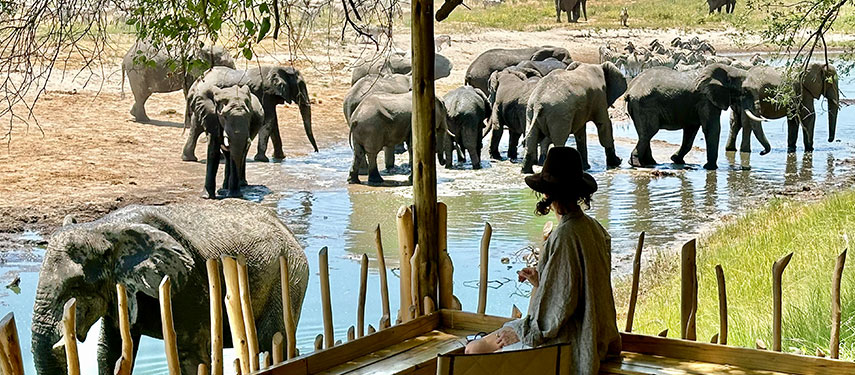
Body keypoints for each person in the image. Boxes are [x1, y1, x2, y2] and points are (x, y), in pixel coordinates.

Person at [464, 146, 621, 374]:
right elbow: (577, 288)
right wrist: (541, 281)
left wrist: (521, 332)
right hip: (598, 332)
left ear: (547, 194)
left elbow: (554, 316)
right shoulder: (593, 228)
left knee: (473, 349)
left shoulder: (564, 236)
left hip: (574, 339)